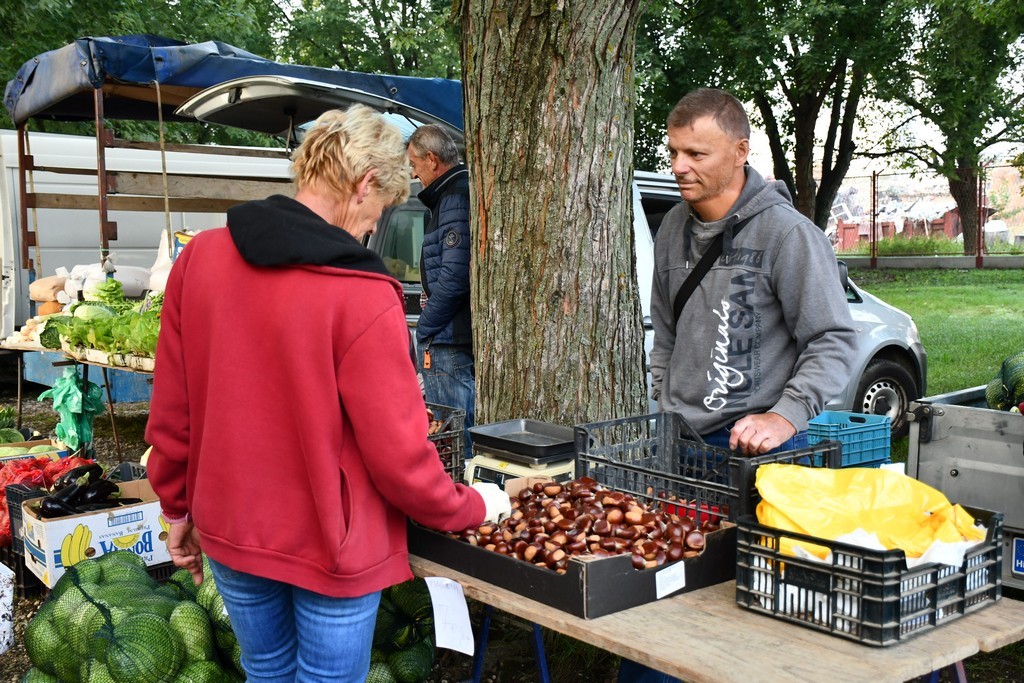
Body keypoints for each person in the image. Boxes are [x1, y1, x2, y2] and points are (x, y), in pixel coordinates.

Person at [145, 106, 510, 683]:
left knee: (264, 671)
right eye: (378, 212)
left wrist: (177, 506)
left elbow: (173, 411)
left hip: (230, 523)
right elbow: (400, 456)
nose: (370, 229)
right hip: (332, 543)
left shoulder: (202, 258)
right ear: (365, 184)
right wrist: (472, 506)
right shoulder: (363, 295)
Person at [620, 88, 857, 682]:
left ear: (740, 152)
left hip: (762, 460)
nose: (679, 167)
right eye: (673, 152)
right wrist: (662, 399)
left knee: (751, 622)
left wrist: (786, 415)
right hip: (681, 451)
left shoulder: (787, 234)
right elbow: (666, 330)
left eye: (696, 153)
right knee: (668, 610)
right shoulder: (673, 226)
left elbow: (832, 338)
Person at [406, 125, 476, 448]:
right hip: (448, 338)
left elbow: (454, 276)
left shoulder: (454, 197)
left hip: (448, 342)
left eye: (415, 164)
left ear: (432, 159)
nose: (414, 172)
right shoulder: (448, 196)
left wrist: (426, 327)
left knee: (455, 447)